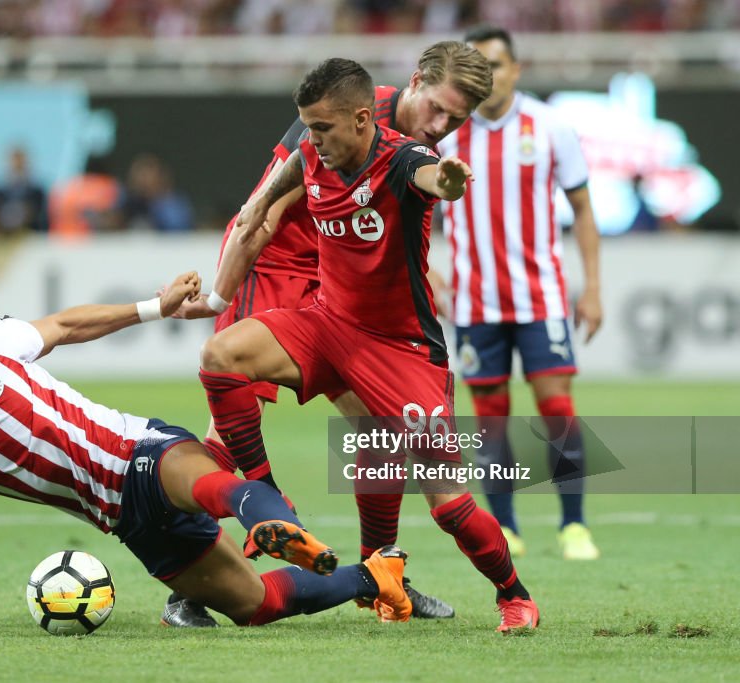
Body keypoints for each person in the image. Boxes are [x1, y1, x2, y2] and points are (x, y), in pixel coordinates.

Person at [0, 273, 415, 631]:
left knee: (212, 487)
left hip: (137, 448)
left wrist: (152, 308)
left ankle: (275, 525)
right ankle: (375, 577)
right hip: (123, 519)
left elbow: (65, 327)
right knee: (256, 606)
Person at [197, 57, 539, 632]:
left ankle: (508, 594)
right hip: (314, 305)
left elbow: (430, 175)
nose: (439, 125)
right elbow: (258, 210)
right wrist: (217, 297)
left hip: (396, 346)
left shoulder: (407, 155)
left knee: (441, 495)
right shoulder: (324, 132)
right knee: (222, 362)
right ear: (412, 86)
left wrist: (447, 180)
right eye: (436, 109)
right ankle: (254, 521)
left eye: (456, 120)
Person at [435, 26, 602, 561]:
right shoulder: (446, 135)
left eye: (498, 65)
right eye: (478, 67)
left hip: (542, 298)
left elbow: (582, 210)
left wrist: (592, 288)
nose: (490, 75)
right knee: (491, 417)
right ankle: (505, 526)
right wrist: (433, 278)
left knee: (557, 409)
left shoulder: (550, 127)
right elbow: (410, 217)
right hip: (474, 301)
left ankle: (574, 525)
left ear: (516, 69)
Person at [0, 147, 47, 235]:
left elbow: (42, 221)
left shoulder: (37, 193)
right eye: (15, 162)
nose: (17, 165)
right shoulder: (0, 194)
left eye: (20, 162)